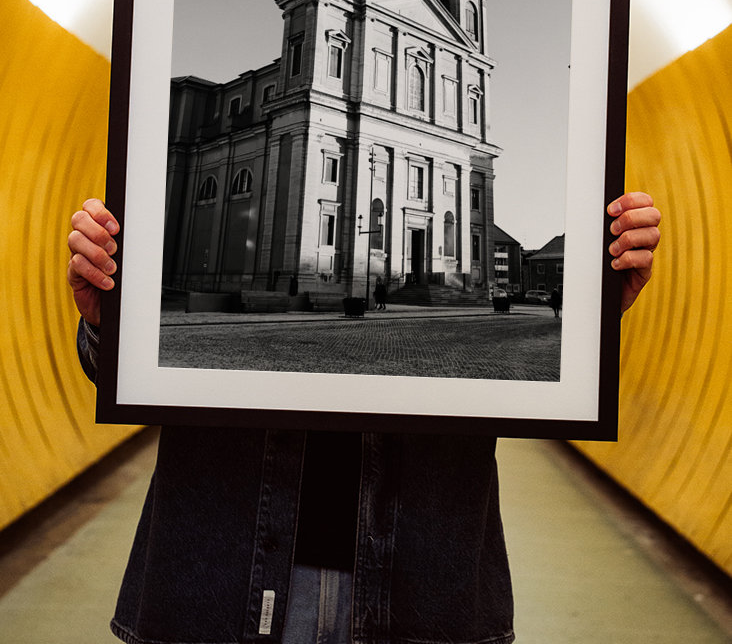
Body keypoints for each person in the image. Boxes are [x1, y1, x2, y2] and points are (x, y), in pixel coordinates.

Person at [68, 192, 660, 644]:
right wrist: (111, 323)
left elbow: (549, 384)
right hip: (221, 577)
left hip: (424, 586)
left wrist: (592, 322)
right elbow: (120, 374)